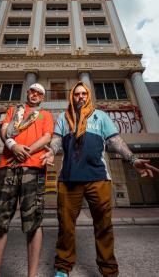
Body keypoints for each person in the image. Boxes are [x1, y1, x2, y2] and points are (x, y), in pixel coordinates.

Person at [41, 81, 159, 277]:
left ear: (88, 96)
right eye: (77, 94)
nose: (80, 97)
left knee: (104, 226)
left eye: (84, 94)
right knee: (66, 227)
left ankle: (109, 271)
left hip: (98, 178)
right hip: (69, 179)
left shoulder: (101, 116)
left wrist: (133, 158)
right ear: (72, 97)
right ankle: (62, 267)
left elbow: (115, 140)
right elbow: (57, 139)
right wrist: (52, 152)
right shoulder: (64, 117)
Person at [0, 83, 54, 277]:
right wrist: (12, 145)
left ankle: (31, 276)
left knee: (34, 223)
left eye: (39, 93)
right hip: (7, 167)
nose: (35, 95)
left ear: (43, 98)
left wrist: (25, 151)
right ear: (28, 93)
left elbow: (47, 136)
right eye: (32, 91)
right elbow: (4, 130)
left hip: (33, 168)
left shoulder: (46, 115)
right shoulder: (12, 110)